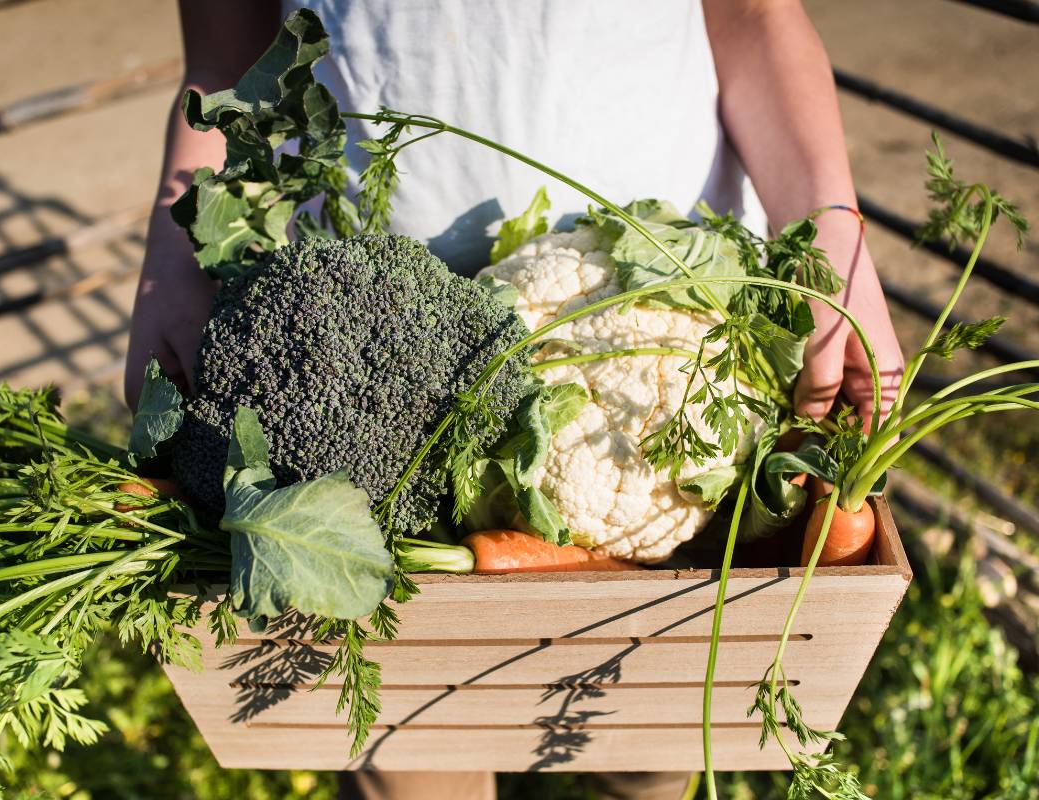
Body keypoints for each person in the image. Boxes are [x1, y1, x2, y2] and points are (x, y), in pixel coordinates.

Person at [124, 2, 905, 798]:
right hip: (372, 355)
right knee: (411, 751)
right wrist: (175, 255)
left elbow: (754, 15)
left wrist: (831, 226)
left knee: (659, 740)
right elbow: (228, 44)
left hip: (684, 298)